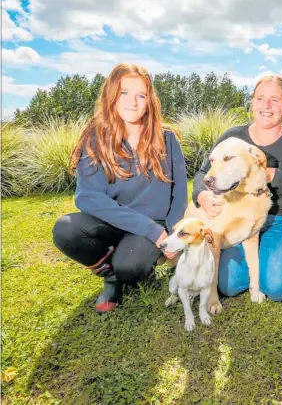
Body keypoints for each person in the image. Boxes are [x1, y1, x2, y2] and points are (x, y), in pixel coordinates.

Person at [52, 63, 188, 314]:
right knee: (66, 230)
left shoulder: (167, 139)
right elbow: (88, 198)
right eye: (124, 92)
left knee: (130, 267)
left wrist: (170, 234)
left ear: (150, 100)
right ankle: (111, 278)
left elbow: (179, 193)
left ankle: (127, 268)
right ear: (111, 95)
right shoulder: (95, 138)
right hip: (113, 222)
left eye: (141, 95)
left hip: (151, 227)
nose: (133, 102)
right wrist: (149, 228)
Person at [192, 76, 282, 302]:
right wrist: (202, 196)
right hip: (238, 220)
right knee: (228, 286)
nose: (266, 106)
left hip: (280, 220)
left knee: (279, 289)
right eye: (260, 98)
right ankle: (263, 257)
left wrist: (271, 175)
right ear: (252, 103)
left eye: (274, 100)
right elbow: (202, 175)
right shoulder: (232, 137)